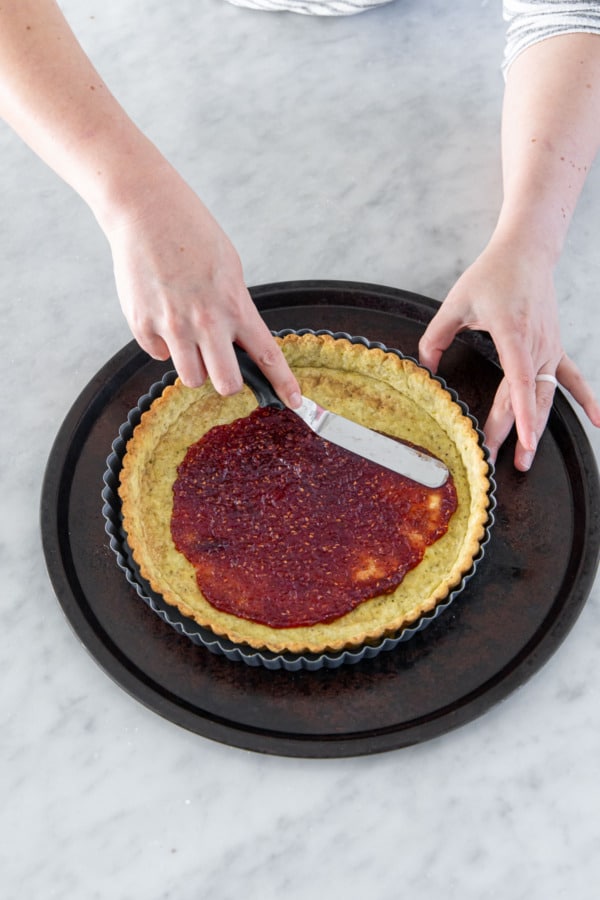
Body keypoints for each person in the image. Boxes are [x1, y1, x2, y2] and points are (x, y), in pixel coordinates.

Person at [1, 1, 599, 472]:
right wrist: (132, 197)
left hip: (449, 75)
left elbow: (570, 14)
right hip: (96, 77)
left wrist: (529, 243)